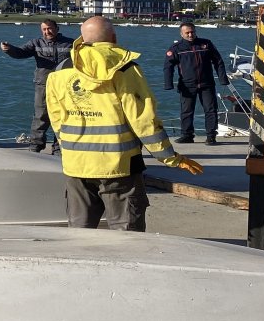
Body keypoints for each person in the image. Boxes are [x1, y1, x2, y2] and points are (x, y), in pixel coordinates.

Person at [46, 16, 203, 231]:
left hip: (76, 165)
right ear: (114, 38)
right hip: (119, 167)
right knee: (127, 235)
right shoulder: (124, 69)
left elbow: (56, 118)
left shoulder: (60, 71)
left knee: (79, 233)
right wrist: (170, 158)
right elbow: (144, 121)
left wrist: (70, 147)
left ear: (82, 38)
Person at [0, 19, 73, 153]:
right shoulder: (36, 43)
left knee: (64, 116)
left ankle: (59, 148)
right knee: (40, 117)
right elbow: (20, 52)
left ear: (57, 28)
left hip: (65, 86)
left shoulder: (70, 43)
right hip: (43, 85)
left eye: (49, 28)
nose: (47, 32)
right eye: (44, 29)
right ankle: (35, 147)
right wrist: (9, 49)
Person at [163, 22, 229, 145]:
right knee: (187, 111)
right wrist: (168, 84)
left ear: (195, 31)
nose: (190, 34)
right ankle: (187, 135)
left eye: (192, 32)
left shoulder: (206, 44)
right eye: (187, 32)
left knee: (210, 110)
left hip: (207, 84)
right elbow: (168, 66)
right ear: (181, 34)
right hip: (187, 85)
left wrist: (223, 79)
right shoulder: (176, 48)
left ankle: (211, 136)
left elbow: (218, 61)